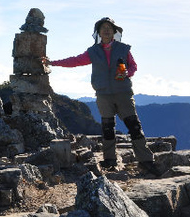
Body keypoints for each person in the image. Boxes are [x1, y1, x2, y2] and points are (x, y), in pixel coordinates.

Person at [43, 17, 161, 176]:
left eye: (109, 28)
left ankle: (146, 161)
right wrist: (53, 63)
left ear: (114, 31)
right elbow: (75, 61)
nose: (106, 30)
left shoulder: (124, 49)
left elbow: (133, 66)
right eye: (103, 28)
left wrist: (128, 72)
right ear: (98, 32)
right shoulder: (93, 51)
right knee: (107, 128)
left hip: (123, 93)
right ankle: (110, 160)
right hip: (104, 94)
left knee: (134, 126)